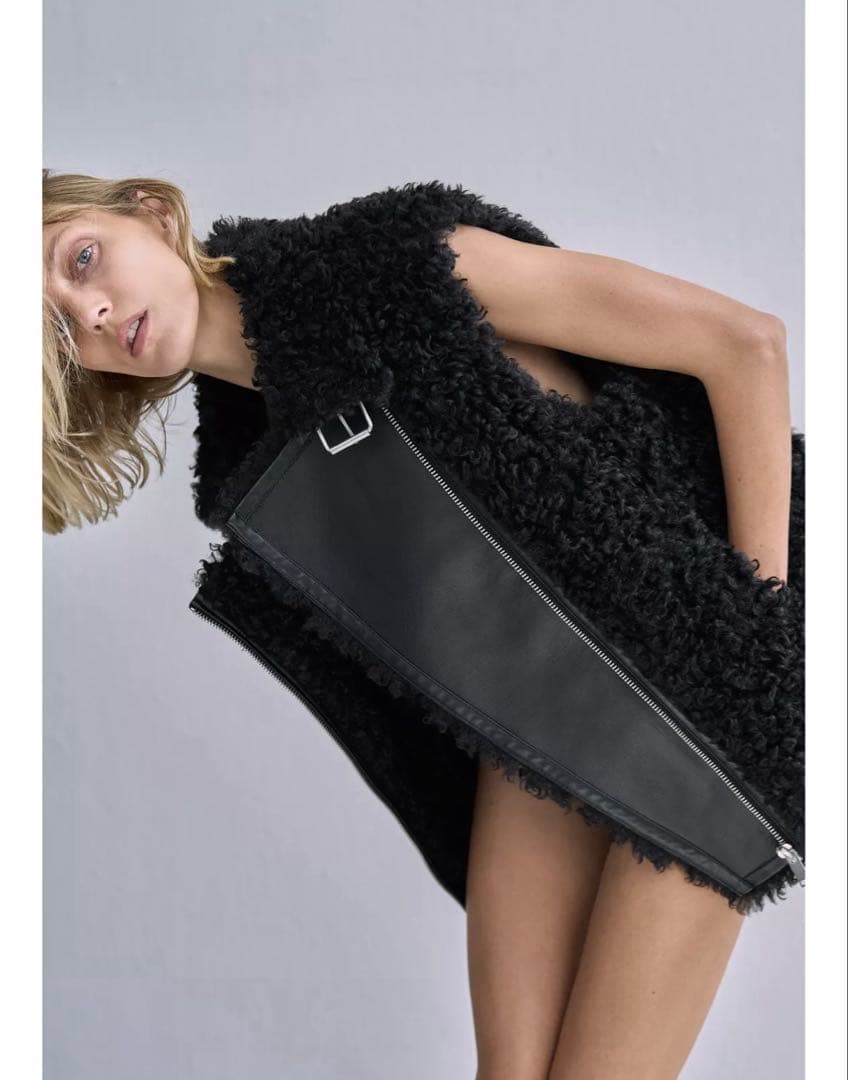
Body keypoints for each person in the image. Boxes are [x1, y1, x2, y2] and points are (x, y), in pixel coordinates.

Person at [43, 170, 799, 1080]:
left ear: (153, 214)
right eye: (57, 330)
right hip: (545, 727)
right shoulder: (259, 464)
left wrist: (754, 630)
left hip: (706, 699)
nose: (91, 311)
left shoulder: (387, 264)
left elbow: (743, 344)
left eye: (81, 259)